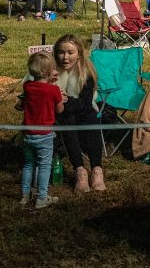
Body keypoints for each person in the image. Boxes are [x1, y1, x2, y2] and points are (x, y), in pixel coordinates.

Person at [53, 34, 105, 193]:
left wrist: (65, 101)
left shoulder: (86, 73)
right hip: (59, 114)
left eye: (70, 53)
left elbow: (85, 102)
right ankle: (80, 171)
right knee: (68, 120)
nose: (65, 57)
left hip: (83, 110)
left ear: (79, 54)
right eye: (61, 52)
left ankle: (97, 170)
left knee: (90, 117)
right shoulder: (50, 72)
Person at [19, 51, 66, 209]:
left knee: (28, 165)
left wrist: (48, 80)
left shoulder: (27, 87)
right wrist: (59, 95)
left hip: (27, 134)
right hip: (44, 135)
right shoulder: (53, 90)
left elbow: (38, 89)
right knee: (45, 165)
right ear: (48, 72)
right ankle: (41, 197)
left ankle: (24, 196)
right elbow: (59, 110)